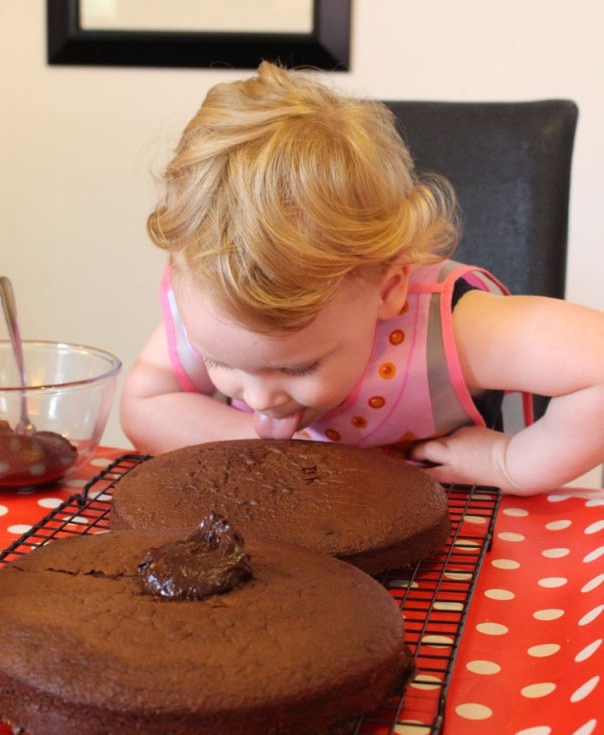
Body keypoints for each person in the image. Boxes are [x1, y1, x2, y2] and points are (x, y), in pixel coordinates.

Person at [120, 62, 604, 494]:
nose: (259, 397)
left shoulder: (450, 328)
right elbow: (146, 403)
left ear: (388, 289)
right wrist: (260, 445)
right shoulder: (211, 299)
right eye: (219, 361)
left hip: (456, 540)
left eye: (296, 368)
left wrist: (510, 462)